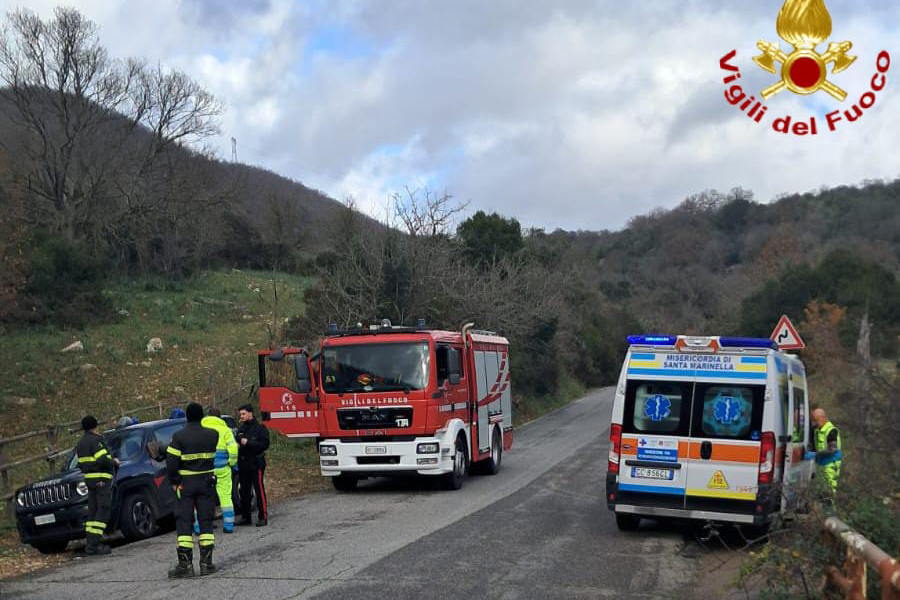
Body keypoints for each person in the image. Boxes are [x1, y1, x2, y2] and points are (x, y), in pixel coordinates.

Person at [166, 402, 219, 577]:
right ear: (202, 416)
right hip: (206, 482)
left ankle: (185, 566)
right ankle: (206, 564)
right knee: (206, 521)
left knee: (184, 522)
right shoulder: (213, 435)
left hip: (185, 484)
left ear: (187, 417)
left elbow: (171, 463)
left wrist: (175, 481)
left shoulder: (179, 437)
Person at [75, 415, 119, 556]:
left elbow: (81, 464)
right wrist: (113, 462)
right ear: (95, 425)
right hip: (101, 480)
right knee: (103, 509)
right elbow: (103, 460)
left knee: (92, 512)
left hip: (90, 481)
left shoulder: (81, 443)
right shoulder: (96, 440)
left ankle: (90, 544)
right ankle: (94, 544)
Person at [193, 407, 238, 534]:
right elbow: (233, 448)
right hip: (223, 468)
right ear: (219, 418)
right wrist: (232, 462)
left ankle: (198, 527)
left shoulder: (199, 429)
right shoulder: (225, 430)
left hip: (204, 470)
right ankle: (228, 525)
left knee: (201, 498)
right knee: (225, 497)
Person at [236, 403, 270, 527]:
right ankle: (246, 517)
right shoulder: (240, 429)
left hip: (256, 463)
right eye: (240, 414)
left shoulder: (260, 428)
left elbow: (265, 445)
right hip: (243, 463)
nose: (242, 416)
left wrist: (249, 443)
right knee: (244, 490)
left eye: (244, 414)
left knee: (258, 489)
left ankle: (263, 516)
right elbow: (237, 443)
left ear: (250, 413)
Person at [812, 407, 842, 493]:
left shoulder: (831, 431)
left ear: (823, 417)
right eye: (813, 420)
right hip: (822, 462)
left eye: (816, 420)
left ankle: (830, 505)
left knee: (830, 489)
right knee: (820, 490)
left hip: (831, 463)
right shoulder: (818, 429)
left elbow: (832, 450)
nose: (815, 423)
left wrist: (814, 454)